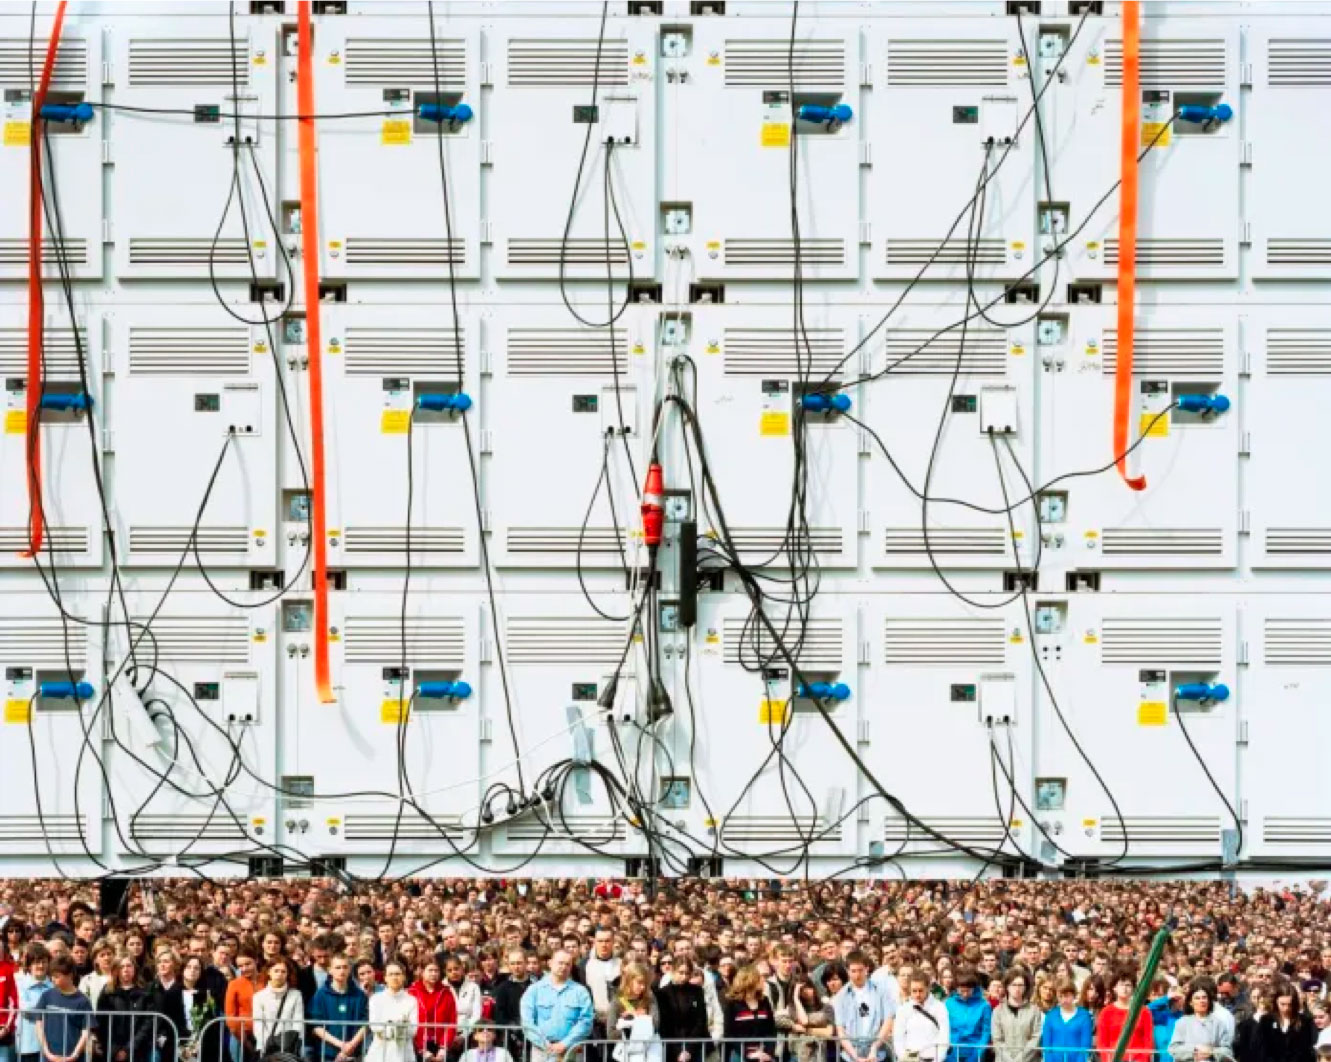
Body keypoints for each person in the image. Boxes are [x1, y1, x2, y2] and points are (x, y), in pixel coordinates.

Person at [520, 951, 593, 1062]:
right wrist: (545, 1044)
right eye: (560, 963)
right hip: (542, 1051)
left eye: (567, 964)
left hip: (571, 1050)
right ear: (550, 963)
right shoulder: (534, 990)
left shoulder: (580, 992)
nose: (563, 967)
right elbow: (527, 1022)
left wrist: (565, 1043)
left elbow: (586, 1021)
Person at [832, 952, 893, 1062]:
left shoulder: (881, 991)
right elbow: (841, 1030)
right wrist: (855, 1056)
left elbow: (888, 1021)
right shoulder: (841, 996)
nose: (857, 975)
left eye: (860, 970)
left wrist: (875, 1047)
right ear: (847, 971)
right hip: (850, 1056)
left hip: (878, 1054)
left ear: (867, 969)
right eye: (853, 971)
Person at [309, 955, 370, 1062]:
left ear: (350, 969)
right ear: (330, 970)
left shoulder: (360, 995)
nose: (342, 971)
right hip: (327, 1054)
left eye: (345, 967)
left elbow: (366, 1024)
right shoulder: (320, 995)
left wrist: (350, 1046)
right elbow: (316, 1026)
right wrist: (341, 1045)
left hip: (354, 1054)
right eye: (338, 967)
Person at [655, 956, 713, 1062]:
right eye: (680, 972)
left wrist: (688, 1050)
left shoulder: (697, 991)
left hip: (695, 1047)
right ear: (673, 971)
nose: (684, 977)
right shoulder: (662, 993)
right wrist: (678, 1051)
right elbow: (665, 1025)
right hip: (671, 1048)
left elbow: (701, 1021)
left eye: (687, 973)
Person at [34, 956, 93, 1062]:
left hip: (73, 1057)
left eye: (57, 976)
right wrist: (47, 1052)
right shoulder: (46, 996)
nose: (53, 979)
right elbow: (39, 1024)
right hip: (49, 1056)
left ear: (70, 976)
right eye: (52, 976)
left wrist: (74, 1055)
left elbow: (86, 1032)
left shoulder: (83, 1001)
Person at [101, 954, 156, 1062]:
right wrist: (115, 1049)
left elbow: (148, 1022)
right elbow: (102, 1022)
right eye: (121, 967)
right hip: (112, 1051)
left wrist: (129, 1048)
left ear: (135, 969)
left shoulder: (145, 992)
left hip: (138, 1050)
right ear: (116, 970)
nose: (125, 970)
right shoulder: (108, 992)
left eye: (129, 966)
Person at [1093, 969, 1154, 1062]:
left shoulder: (1144, 1012)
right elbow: (1101, 1042)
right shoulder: (1106, 1012)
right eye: (1121, 984)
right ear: (1114, 988)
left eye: (1128, 985)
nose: (1124, 988)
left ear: (1133, 988)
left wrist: (1142, 1060)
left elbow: (1148, 1041)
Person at [606, 963, 661, 1062]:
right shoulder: (617, 1001)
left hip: (649, 1053)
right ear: (629, 981)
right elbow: (611, 1032)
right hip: (625, 1054)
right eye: (639, 983)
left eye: (645, 983)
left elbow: (656, 1024)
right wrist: (631, 1027)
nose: (643, 987)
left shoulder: (650, 998)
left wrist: (640, 1019)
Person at [1169, 979, 1234, 1062]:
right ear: (1191, 1002)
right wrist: (1194, 1050)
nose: (1201, 1001)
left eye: (1204, 998)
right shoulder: (1182, 1023)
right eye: (1197, 998)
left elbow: (1227, 1051)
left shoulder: (1218, 1023)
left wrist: (1212, 1052)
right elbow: (1173, 1049)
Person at [251, 959, 304, 1059]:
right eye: (276, 971)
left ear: (287, 974)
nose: (279, 974)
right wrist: (267, 1043)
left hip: (288, 1047)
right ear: (269, 972)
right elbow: (258, 1024)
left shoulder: (296, 995)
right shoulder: (259, 997)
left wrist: (291, 1042)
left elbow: (298, 1022)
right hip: (266, 1047)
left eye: (283, 971)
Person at [366, 963, 418, 1062]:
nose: (394, 977)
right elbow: (375, 1026)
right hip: (380, 1051)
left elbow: (413, 1029)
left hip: (404, 1052)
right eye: (391, 974)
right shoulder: (375, 999)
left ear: (403, 977)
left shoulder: (411, 1000)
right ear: (385, 978)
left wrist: (392, 1027)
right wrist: (398, 1028)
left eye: (397, 974)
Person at [893, 971, 949, 1062]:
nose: (917, 994)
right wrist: (904, 1058)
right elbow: (898, 1038)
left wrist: (938, 1060)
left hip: (932, 1058)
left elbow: (944, 1037)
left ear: (928, 988)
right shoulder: (903, 1009)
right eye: (914, 991)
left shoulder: (940, 1008)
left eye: (921, 990)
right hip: (910, 1058)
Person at [726, 966, 777, 1062]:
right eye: (759, 978)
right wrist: (748, 1054)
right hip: (740, 1055)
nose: (763, 980)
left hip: (764, 1056)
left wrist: (768, 1053)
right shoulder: (732, 1003)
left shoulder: (764, 1001)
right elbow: (729, 1033)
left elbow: (771, 1030)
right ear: (749, 981)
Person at [410, 960, 458, 1062]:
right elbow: (410, 1023)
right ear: (422, 972)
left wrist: (443, 1048)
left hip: (441, 1045)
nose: (434, 974)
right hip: (418, 1045)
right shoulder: (412, 992)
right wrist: (422, 1050)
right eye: (430, 970)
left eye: (436, 971)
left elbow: (452, 1021)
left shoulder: (446, 992)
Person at [991, 968, 1042, 1062]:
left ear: (1025, 987)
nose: (1017, 988)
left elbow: (1036, 1038)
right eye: (1014, 985)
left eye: (1020, 985)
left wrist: (1020, 1059)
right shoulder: (997, 1011)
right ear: (1007, 987)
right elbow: (997, 1039)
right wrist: (1009, 1060)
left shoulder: (1034, 1010)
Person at [1255, 983, 1312, 1062]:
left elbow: (1305, 1051)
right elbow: (1262, 1050)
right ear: (1276, 1002)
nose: (1286, 1008)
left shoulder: (1304, 1021)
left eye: (1290, 1005)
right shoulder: (1266, 1021)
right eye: (1282, 1004)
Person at [1038, 979, 1092, 1062]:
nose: (1063, 1000)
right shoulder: (1051, 1015)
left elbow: (1085, 1046)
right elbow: (1046, 1045)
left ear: (1074, 995)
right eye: (1060, 996)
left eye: (1067, 996)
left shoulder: (1084, 1016)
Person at [150, 952, 190, 1062]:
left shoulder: (182, 988)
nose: (162, 965)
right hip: (155, 1040)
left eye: (166, 961)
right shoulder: (150, 988)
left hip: (177, 1040)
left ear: (175, 964)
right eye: (159, 962)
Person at [945, 968, 991, 1062]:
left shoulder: (984, 1006)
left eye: (968, 991)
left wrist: (978, 1053)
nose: (965, 994)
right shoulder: (948, 1004)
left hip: (975, 1051)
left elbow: (986, 1032)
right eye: (962, 991)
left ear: (974, 988)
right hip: (953, 1051)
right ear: (957, 988)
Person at [225, 951, 263, 1062]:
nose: (244, 969)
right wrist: (244, 1041)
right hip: (241, 1036)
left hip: (265, 1034)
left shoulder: (267, 980)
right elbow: (230, 1016)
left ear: (256, 960)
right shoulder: (234, 984)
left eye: (248, 964)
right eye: (240, 966)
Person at [17, 944, 53, 1062]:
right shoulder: (20, 985)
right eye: (37, 962)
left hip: (51, 1044)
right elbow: (25, 1010)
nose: (41, 966)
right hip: (28, 1044)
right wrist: (47, 1009)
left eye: (44, 962)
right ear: (29, 965)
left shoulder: (54, 986)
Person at [77, 944, 114, 1009]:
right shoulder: (87, 980)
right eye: (102, 955)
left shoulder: (120, 977)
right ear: (95, 960)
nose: (106, 958)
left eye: (109, 954)